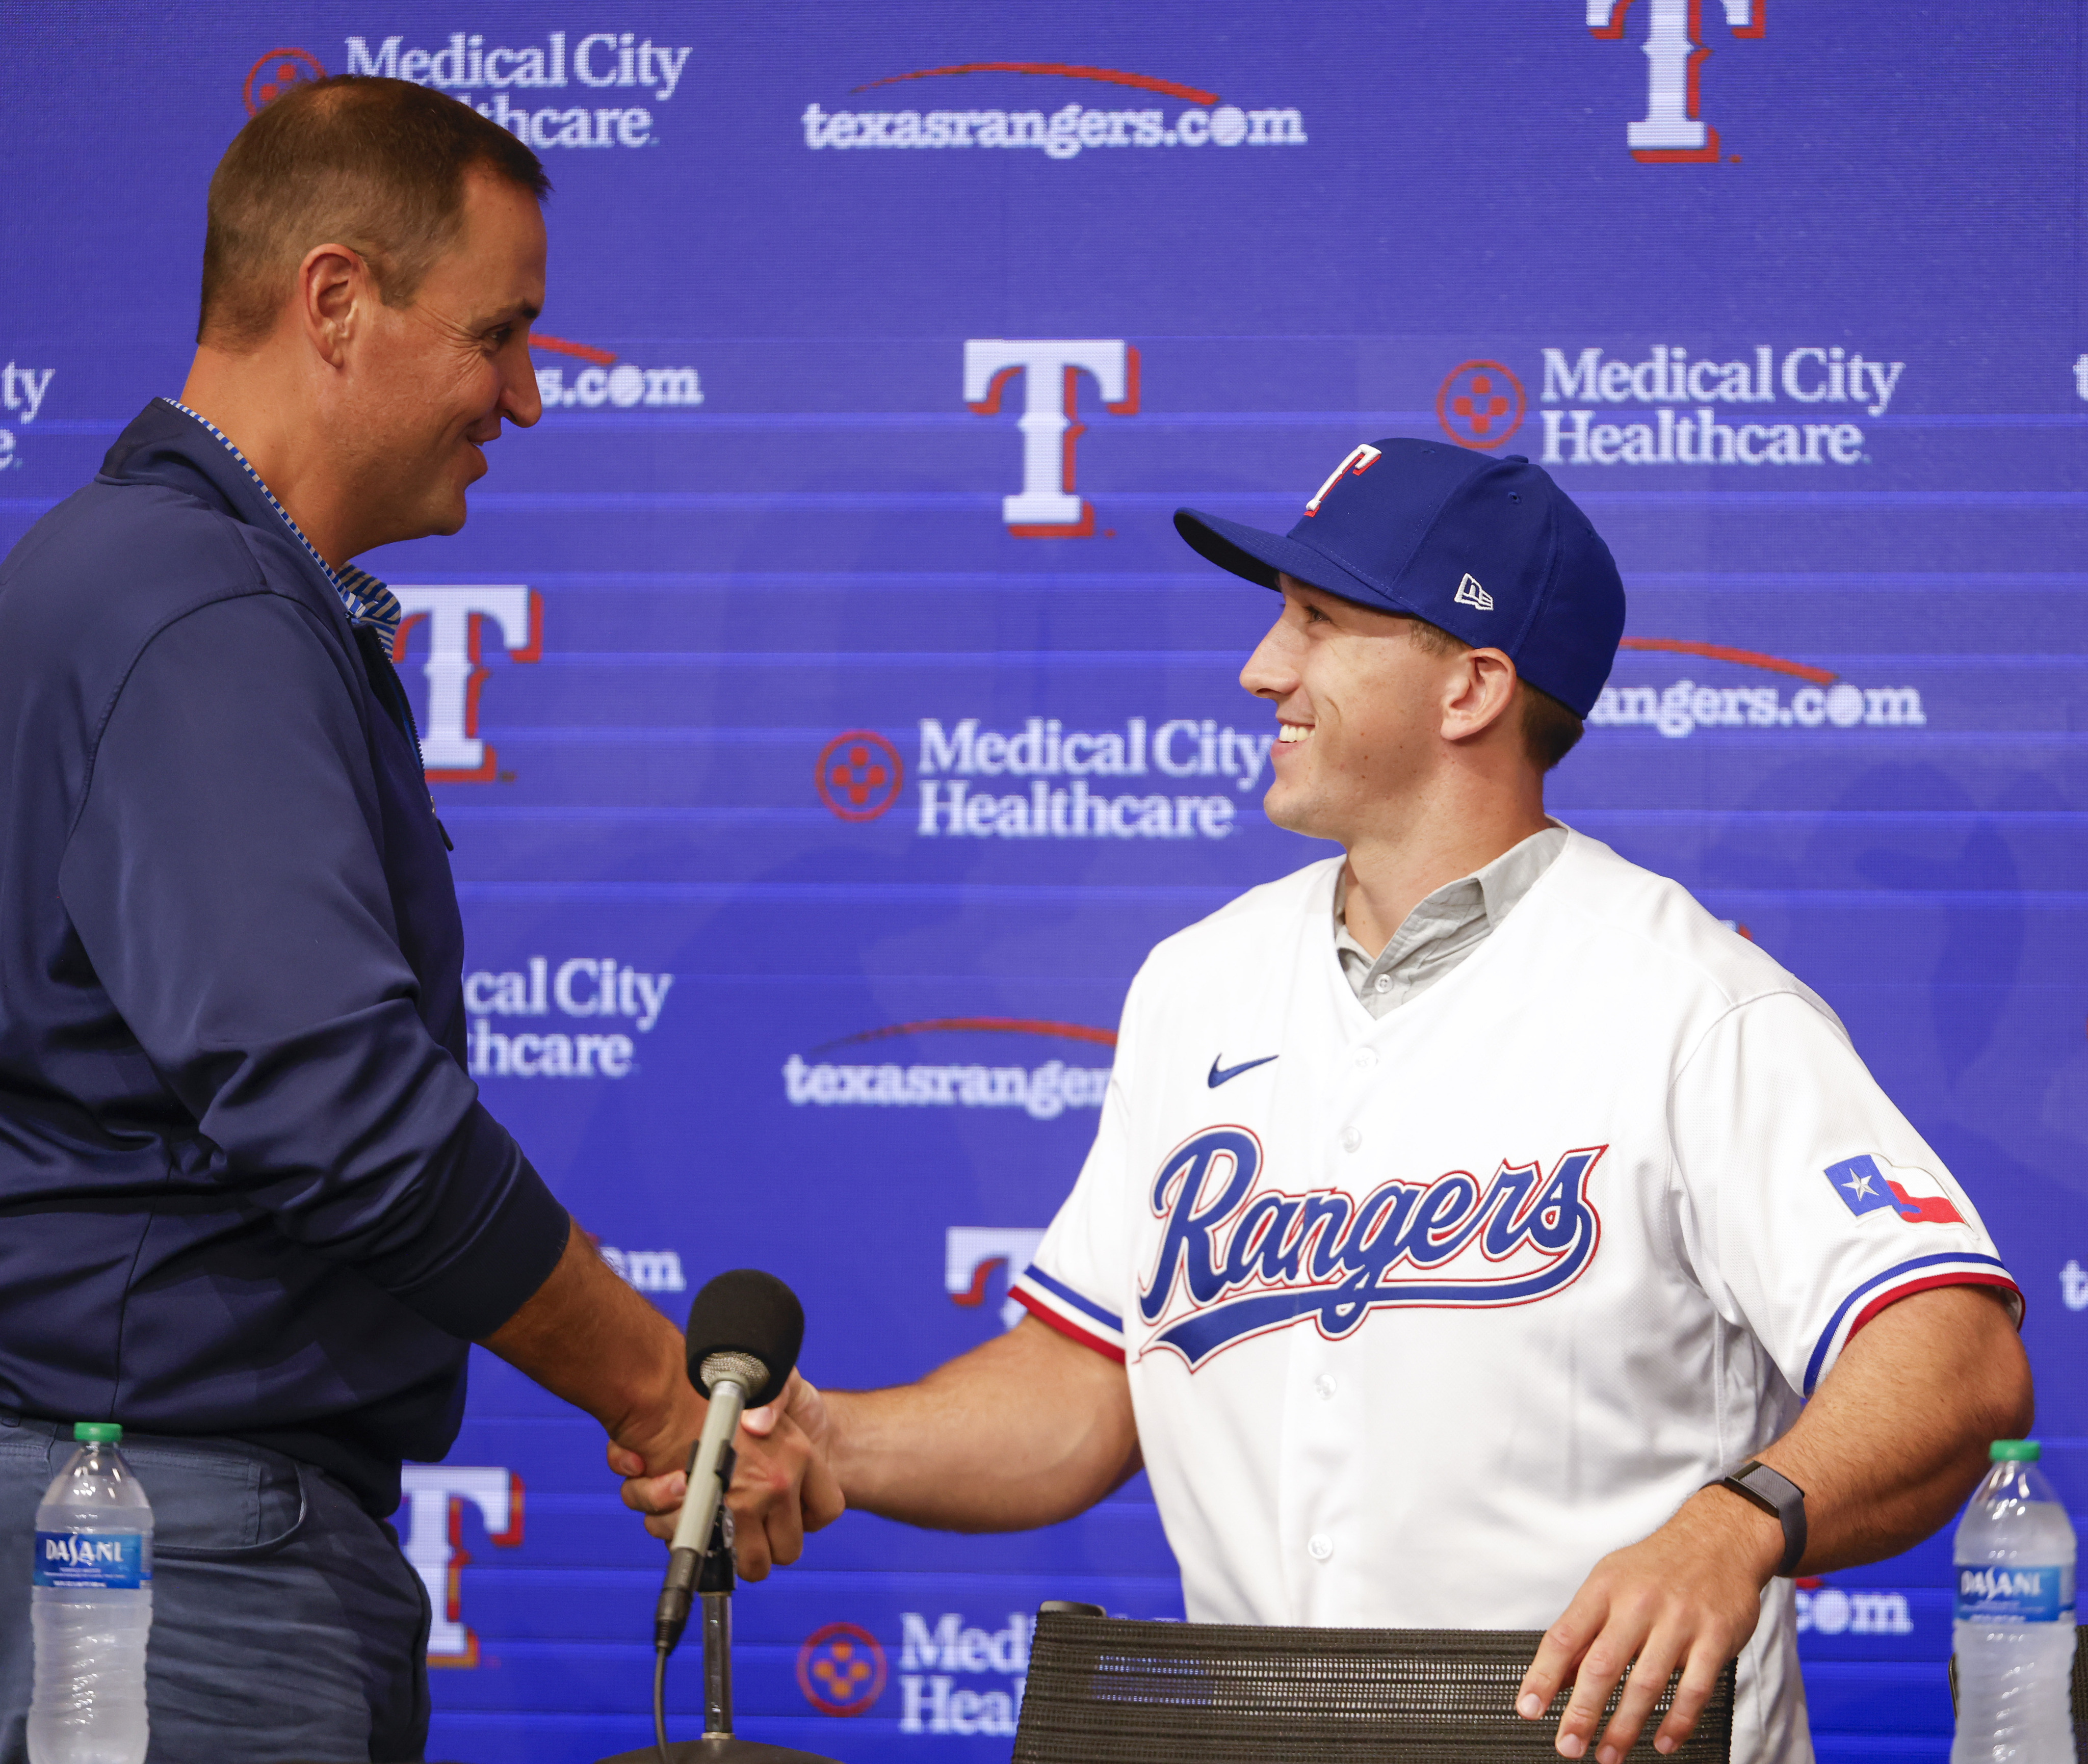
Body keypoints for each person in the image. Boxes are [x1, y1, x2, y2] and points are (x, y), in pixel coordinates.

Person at [622, 438, 2032, 1763]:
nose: (1258, 669)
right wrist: (838, 1444)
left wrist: (1740, 1524)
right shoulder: (1202, 981)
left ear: (1471, 688)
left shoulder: (1696, 1004)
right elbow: (1089, 1381)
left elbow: (1957, 1361)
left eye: (1315, 621)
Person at [0, 77, 837, 1764]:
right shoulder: (201, 610)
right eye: (499, 336)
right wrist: (651, 1386)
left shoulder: (131, 579)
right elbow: (346, 1116)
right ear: (335, 301)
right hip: (180, 1564)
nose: (525, 398)